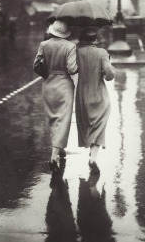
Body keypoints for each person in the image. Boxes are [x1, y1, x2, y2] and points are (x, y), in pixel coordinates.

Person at [33, 20, 78, 172]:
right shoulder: (70, 46)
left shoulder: (44, 45)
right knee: (63, 119)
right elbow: (72, 69)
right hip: (64, 85)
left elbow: (36, 65)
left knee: (52, 118)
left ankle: (59, 149)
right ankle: (53, 155)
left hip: (48, 84)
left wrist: (48, 73)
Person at [75, 26, 115, 174]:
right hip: (98, 93)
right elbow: (109, 74)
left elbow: (72, 69)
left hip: (81, 94)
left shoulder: (76, 52)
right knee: (99, 123)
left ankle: (91, 151)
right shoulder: (102, 52)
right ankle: (93, 158)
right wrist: (106, 69)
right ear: (95, 40)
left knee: (86, 122)